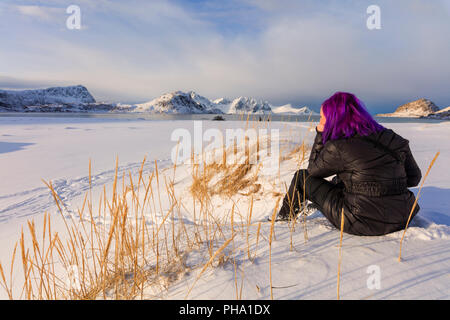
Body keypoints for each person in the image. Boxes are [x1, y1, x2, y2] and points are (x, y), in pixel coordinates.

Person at [276, 92, 422, 236]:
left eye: (322, 118)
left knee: (301, 178)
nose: (320, 122)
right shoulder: (394, 138)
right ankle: (314, 206)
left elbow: (313, 171)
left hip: (361, 220)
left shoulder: (339, 145)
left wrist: (320, 134)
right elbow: (414, 178)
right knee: (339, 180)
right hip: (402, 216)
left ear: (333, 118)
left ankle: (283, 220)